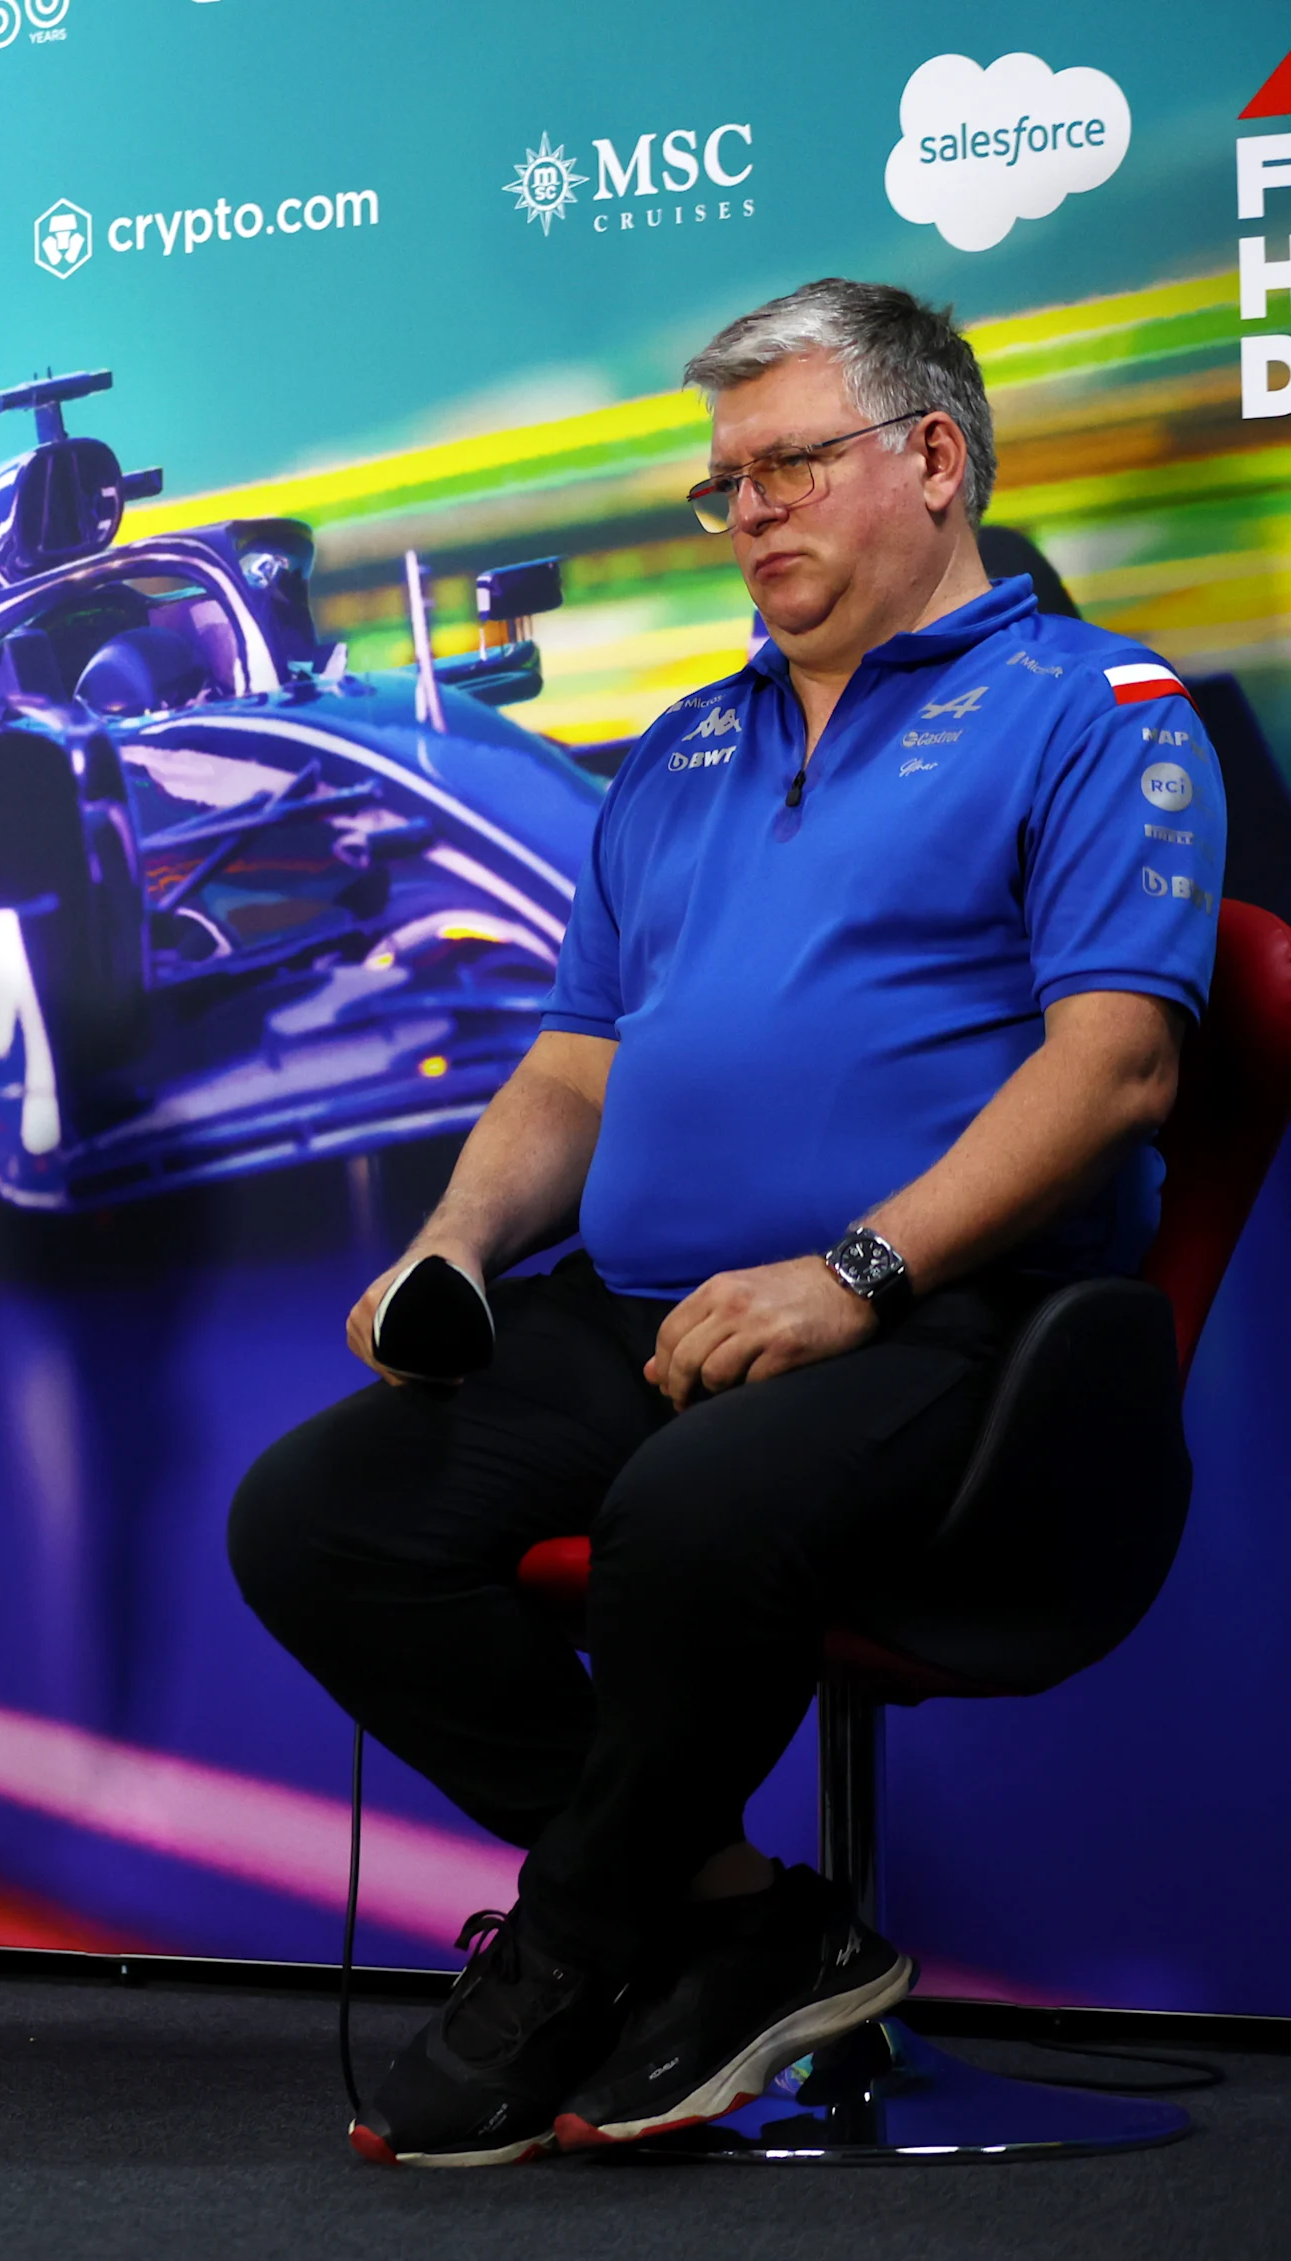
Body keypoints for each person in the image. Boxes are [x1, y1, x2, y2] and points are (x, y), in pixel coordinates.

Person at [227, 281, 1225, 2166]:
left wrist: (855, 1273)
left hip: (962, 1326)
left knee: (684, 1516)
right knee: (315, 1518)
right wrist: (452, 1243)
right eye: (724, 486)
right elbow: (567, 1076)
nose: (751, 510)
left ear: (932, 460)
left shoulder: (1100, 717)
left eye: (790, 466)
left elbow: (1115, 1077)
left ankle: (577, 1945)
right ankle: (738, 1919)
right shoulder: (679, 752)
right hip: (638, 1308)